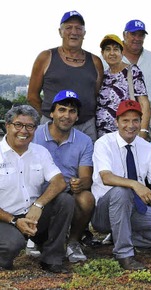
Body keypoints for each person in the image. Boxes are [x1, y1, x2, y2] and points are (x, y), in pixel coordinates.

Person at [91, 100, 151, 270]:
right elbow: (106, 177)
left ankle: (121, 236)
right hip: (105, 213)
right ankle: (124, 254)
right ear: (116, 122)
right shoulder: (103, 143)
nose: (130, 125)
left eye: (135, 120)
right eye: (125, 120)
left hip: (135, 209)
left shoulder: (147, 148)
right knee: (121, 191)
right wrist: (135, 184)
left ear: (141, 122)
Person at [0, 105, 72, 273]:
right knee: (11, 245)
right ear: (7, 125)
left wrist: (38, 205)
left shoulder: (40, 151)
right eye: (18, 124)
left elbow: (59, 181)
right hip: (5, 218)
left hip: (33, 215)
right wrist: (14, 221)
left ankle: (52, 258)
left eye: (30, 126)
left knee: (65, 200)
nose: (24, 131)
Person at [33, 90, 94, 264]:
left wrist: (80, 183)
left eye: (72, 111)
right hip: (36, 192)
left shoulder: (84, 141)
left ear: (77, 117)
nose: (66, 115)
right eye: (62, 109)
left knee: (86, 198)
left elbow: (86, 177)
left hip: (66, 193)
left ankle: (73, 242)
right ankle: (35, 237)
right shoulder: (35, 134)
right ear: (52, 113)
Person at [27, 10, 104, 141]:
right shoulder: (46, 57)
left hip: (86, 127)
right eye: (68, 27)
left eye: (78, 28)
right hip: (51, 127)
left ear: (84, 33)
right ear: (60, 32)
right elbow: (32, 96)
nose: (74, 32)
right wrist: (52, 118)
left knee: (86, 161)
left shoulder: (96, 61)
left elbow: (95, 94)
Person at [97, 34, 150, 139]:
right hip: (103, 138)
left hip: (126, 134)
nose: (112, 53)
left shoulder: (132, 71)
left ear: (122, 53)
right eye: (108, 49)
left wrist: (143, 131)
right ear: (103, 54)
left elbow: (144, 103)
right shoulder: (103, 75)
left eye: (116, 49)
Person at [120, 19, 151, 102]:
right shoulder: (110, 57)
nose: (137, 38)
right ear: (124, 35)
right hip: (116, 113)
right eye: (133, 34)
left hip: (148, 112)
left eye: (141, 35)